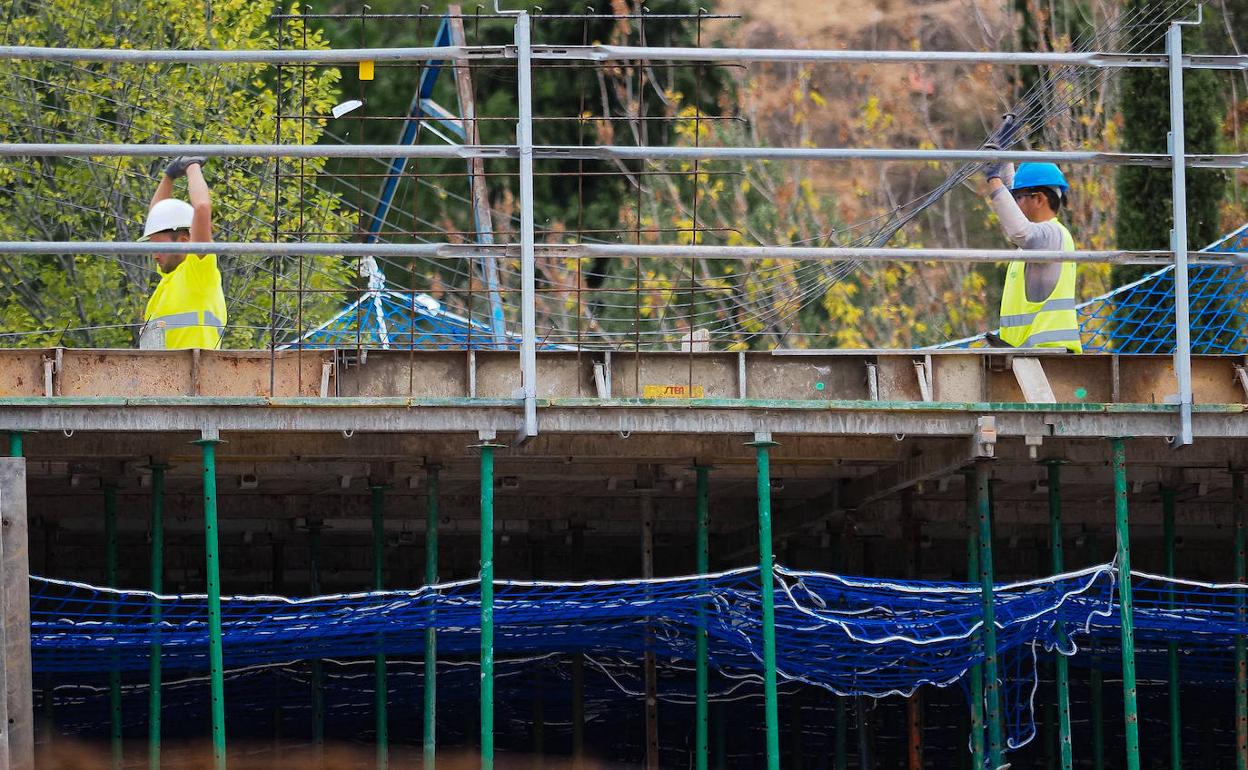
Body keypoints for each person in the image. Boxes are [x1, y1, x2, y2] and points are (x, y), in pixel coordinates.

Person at [981, 160, 1082, 353]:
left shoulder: (1051, 235)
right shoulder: (1041, 240)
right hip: (1030, 355)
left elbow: (1020, 231)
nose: (1014, 203)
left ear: (1039, 199)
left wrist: (994, 180)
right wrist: (1005, 163)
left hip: (1050, 357)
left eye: (1018, 198)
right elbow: (1019, 213)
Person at [138, 156, 226, 350]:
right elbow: (158, 218)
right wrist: (168, 177)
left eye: (159, 249)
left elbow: (202, 208)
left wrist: (191, 166)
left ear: (185, 242)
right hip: (165, 378)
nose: (154, 255)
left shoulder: (198, 273)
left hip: (197, 375)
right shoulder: (167, 282)